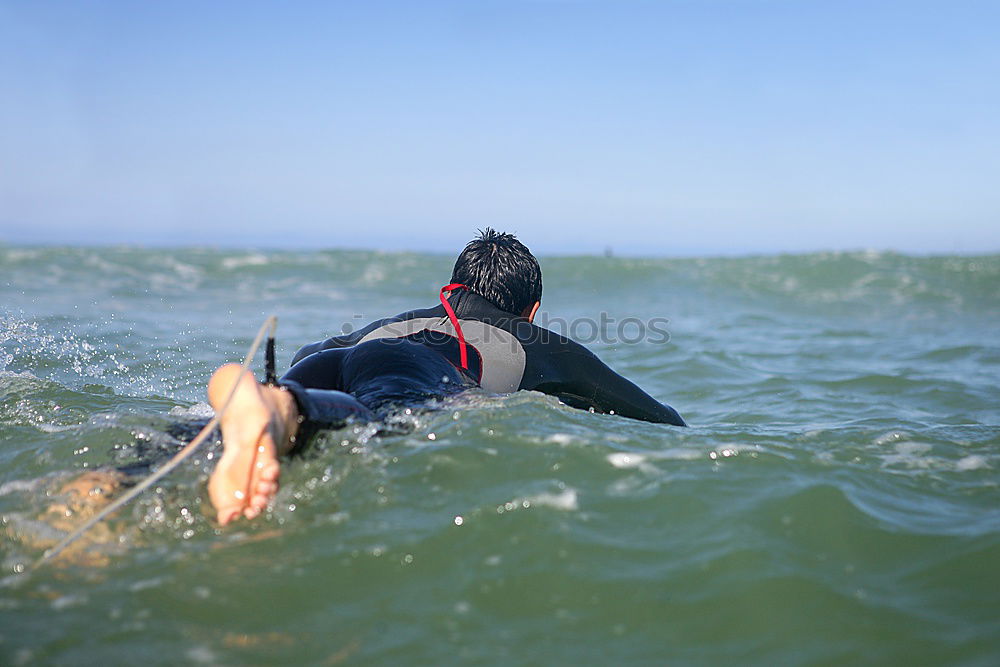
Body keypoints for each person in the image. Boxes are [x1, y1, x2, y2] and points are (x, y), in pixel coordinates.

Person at [207, 229, 685, 525]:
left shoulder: (386, 324)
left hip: (329, 366)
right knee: (375, 417)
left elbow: (313, 354)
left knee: (255, 417)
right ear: (532, 310)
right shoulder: (537, 343)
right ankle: (271, 412)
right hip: (419, 374)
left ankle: (255, 402)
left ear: (453, 289)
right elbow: (658, 418)